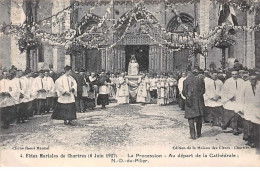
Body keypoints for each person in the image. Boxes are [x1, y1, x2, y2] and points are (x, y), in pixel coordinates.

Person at [182, 70, 205, 140]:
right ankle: (199, 133)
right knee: (199, 117)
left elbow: (184, 92)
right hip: (198, 101)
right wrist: (198, 96)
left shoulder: (185, 81)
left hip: (190, 101)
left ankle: (192, 135)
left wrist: (188, 96)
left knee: (190, 118)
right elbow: (203, 91)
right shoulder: (200, 80)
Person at [221, 70, 245, 135]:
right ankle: (225, 125)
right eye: (233, 74)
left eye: (235, 74)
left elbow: (244, 90)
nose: (234, 76)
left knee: (236, 114)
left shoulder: (242, 81)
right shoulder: (228, 81)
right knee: (230, 114)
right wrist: (230, 97)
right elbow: (224, 91)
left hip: (238, 100)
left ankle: (235, 128)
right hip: (230, 100)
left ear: (238, 74)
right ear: (231, 75)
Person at [242, 71, 260, 150]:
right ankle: (250, 140)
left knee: (256, 125)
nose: (253, 81)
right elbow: (241, 96)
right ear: (249, 78)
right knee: (249, 124)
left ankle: (255, 140)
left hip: (257, 108)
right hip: (248, 107)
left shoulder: (259, 84)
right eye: (252, 79)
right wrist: (241, 108)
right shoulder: (245, 85)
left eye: (255, 79)